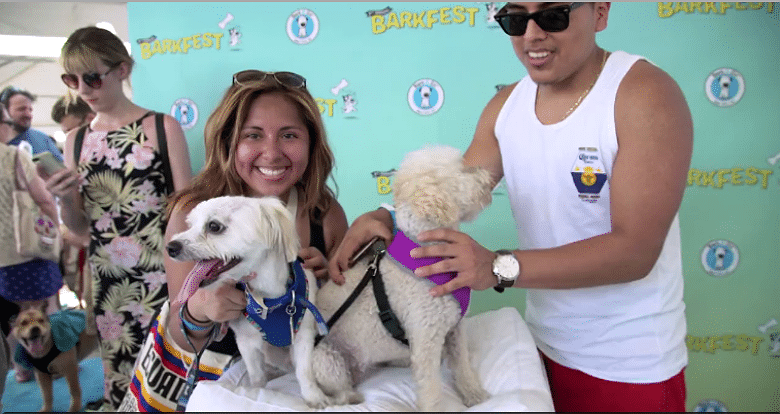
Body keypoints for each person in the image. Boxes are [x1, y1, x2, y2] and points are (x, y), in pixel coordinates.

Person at [328, 3, 693, 412]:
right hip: (536, 347)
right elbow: (459, 190)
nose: (532, 35)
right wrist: (386, 215)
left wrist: (498, 267)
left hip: (628, 365)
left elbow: (635, 252)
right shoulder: (506, 107)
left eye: (553, 15)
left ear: (601, 13)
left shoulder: (643, 94)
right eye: (515, 19)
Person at [120, 69, 348, 412]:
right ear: (228, 142)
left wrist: (329, 282)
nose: (271, 154)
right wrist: (199, 310)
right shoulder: (191, 214)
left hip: (294, 388)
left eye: (288, 135)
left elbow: (344, 320)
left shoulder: (324, 213)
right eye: (252, 135)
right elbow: (179, 336)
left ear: (312, 142)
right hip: (209, 384)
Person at [41, 26, 194, 410]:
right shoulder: (76, 140)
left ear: (123, 69)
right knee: (123, 372)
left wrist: (189, 278)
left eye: (92, 76)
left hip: (165, 274)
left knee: (173, 370)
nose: (82, 89)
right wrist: (64, 199)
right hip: (109, 279)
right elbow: (79, 230)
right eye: (71, 79)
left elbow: (187, 209)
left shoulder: (162, 127)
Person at [0, 104, 64, 383]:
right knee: (41, 311)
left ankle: (20, 368)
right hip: (26, 250)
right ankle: (50, 363)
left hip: (3, 259)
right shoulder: (14, 156)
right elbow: (45, 201)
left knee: (13, 319)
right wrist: (54, 233)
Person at [0, 86, 64, 161]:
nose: (28, 115)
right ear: (5, 111)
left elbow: (62, 170)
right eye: (21, 109)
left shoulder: (42, 139)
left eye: (30, 110)